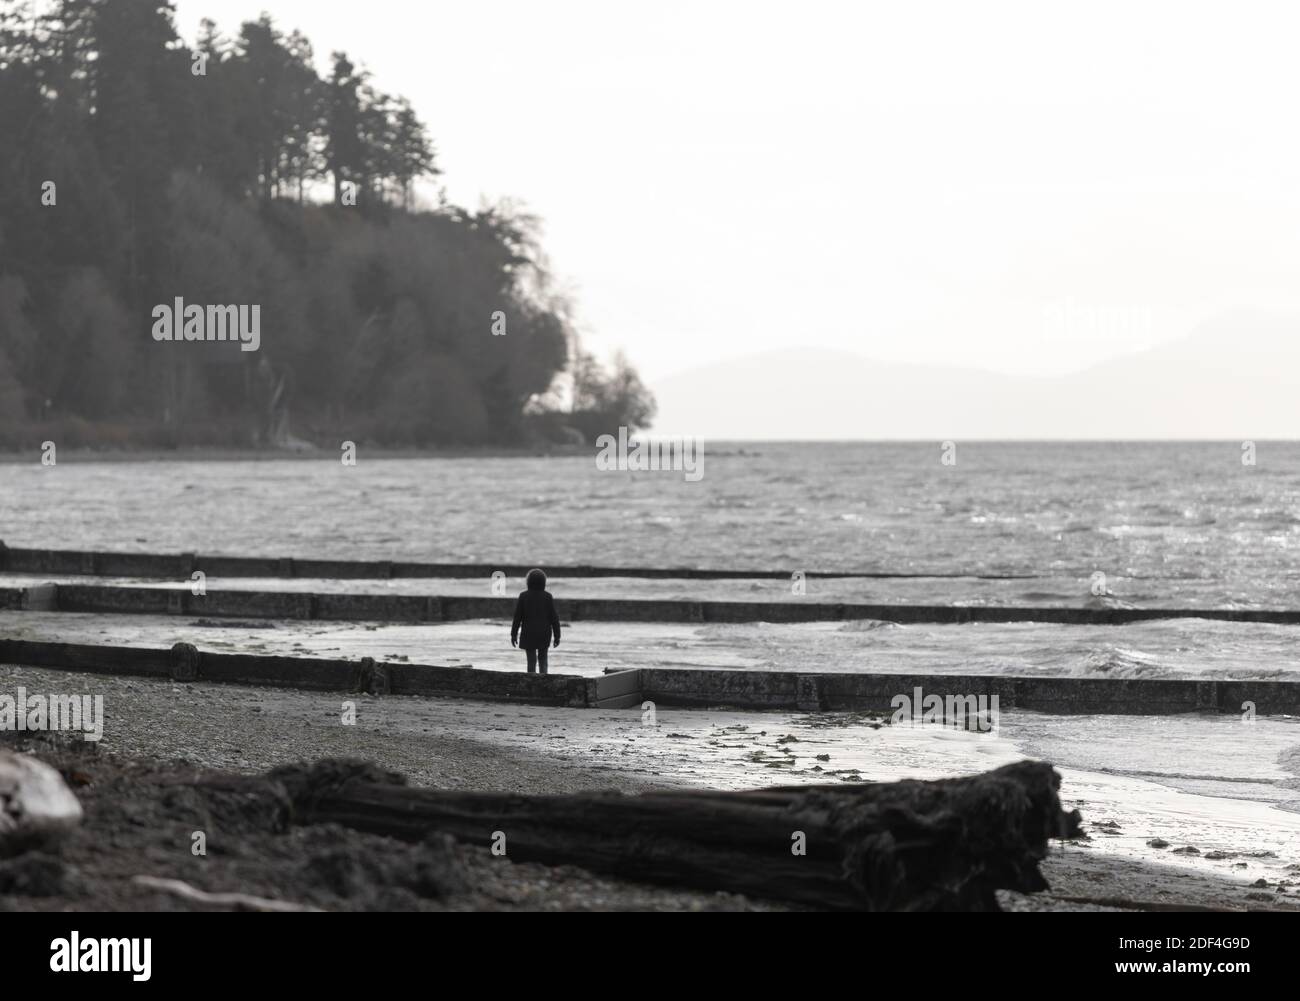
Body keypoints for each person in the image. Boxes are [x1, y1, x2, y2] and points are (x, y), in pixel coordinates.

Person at [511, 568, 561, 674]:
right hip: (544, 633)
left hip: (528, 633)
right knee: (543, 661)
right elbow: (554, 618)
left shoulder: (523, 596)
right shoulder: (547, 597)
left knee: (531, 662)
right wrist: (557, 636)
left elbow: (517, 618)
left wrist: (513, 634)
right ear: (543, 582)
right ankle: (544, 682)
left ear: (528, 581)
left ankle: (531, 683)